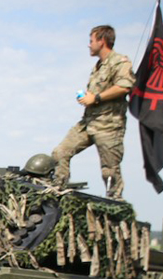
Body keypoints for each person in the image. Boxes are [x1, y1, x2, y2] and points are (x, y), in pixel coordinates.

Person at [51, 25, 135, 200]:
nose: (89, 45)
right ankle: (58, 191)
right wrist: (88, 99)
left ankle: (114, 203)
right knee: (60, 152)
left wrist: (95, 98)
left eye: (91, 41)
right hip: (88, 122)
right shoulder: (98, 66)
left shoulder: (120, 62)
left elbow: (124, 87)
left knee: (109, 170)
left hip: (108, 125)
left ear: (101, 41)